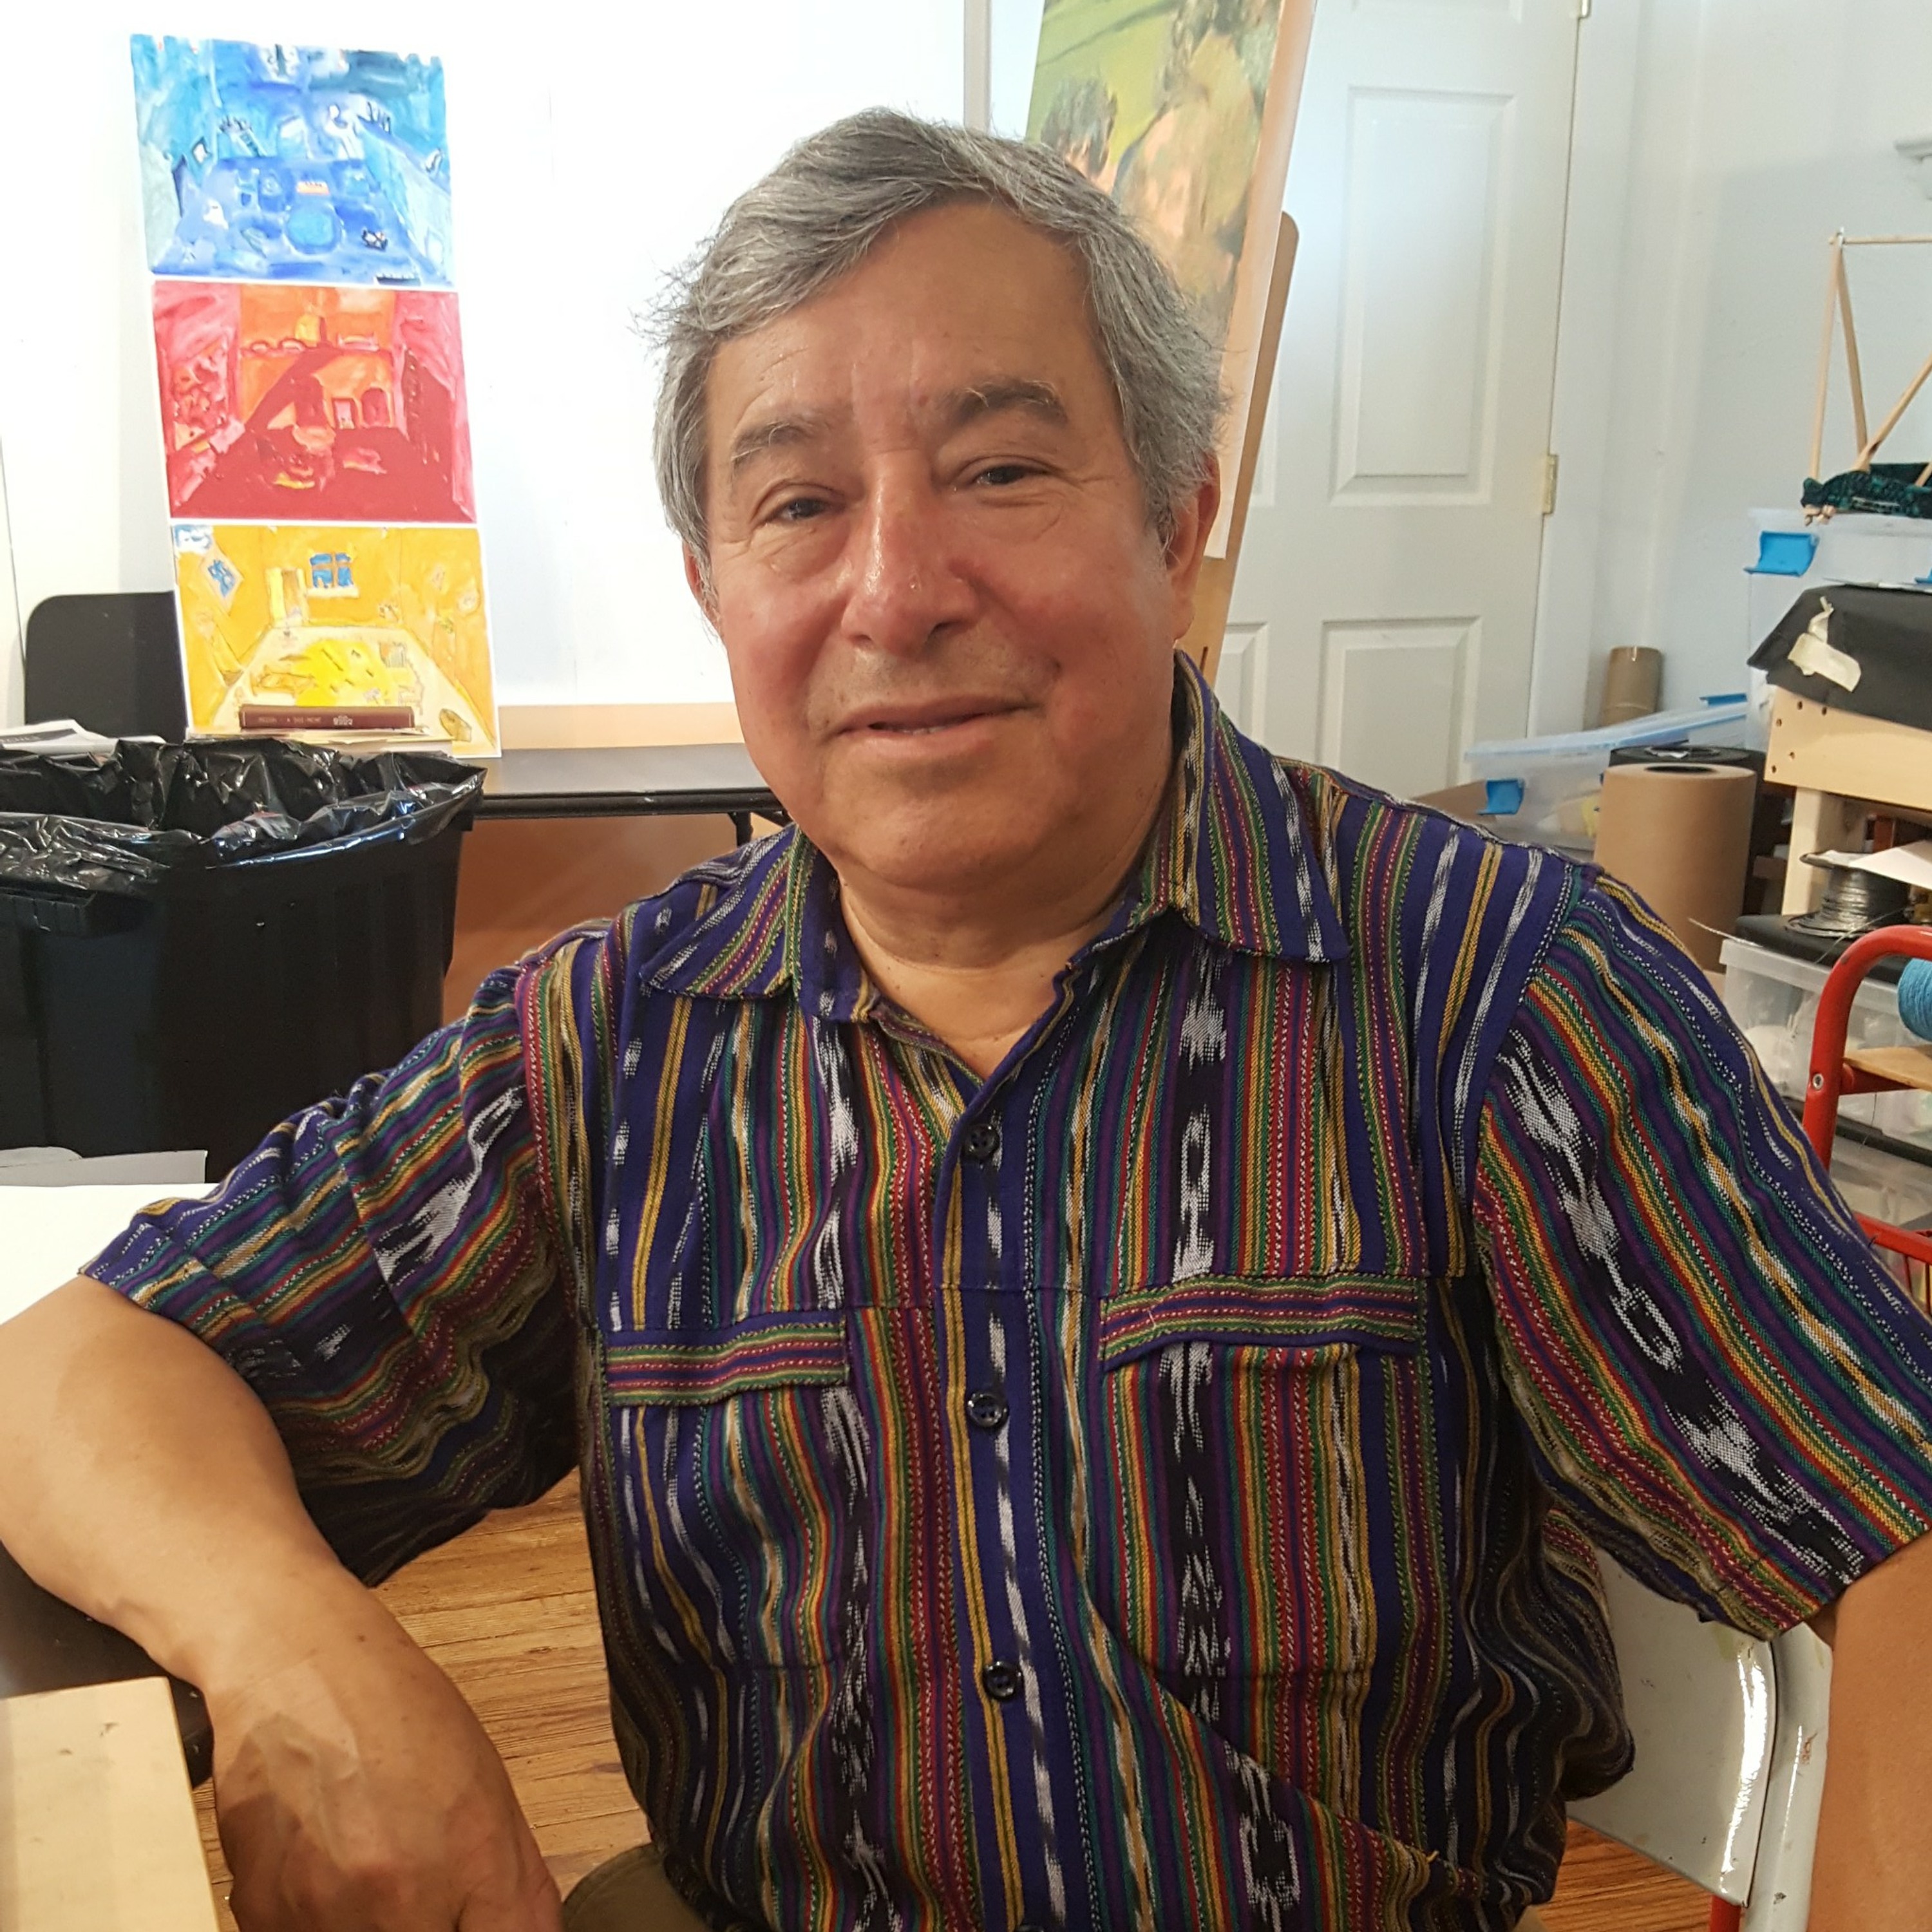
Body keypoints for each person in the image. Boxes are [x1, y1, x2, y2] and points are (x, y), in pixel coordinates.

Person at [3, 109, 1931, 1932]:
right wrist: (299, 1650)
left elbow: (1900, 1528)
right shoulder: (609, 1046)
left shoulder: (1493, 993)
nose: (899, 591)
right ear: (713, 588)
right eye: (797, 503)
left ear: (1177, 521)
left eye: (1001, 470)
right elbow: (81, 1370)